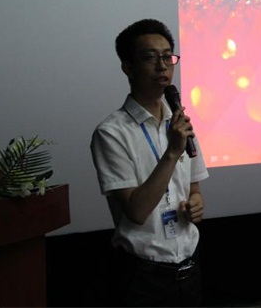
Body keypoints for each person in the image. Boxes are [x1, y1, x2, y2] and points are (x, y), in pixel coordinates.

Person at [90, 19, 209, 307]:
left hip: (189, 268)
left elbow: (193, 190)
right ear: (128, 67)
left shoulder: (179, 123)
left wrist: (195, 204)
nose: (162, 66)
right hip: (142, 276)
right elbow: (137, 211)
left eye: (168, 57)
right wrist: (172, 152)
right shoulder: (111, 133)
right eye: (150, 58)